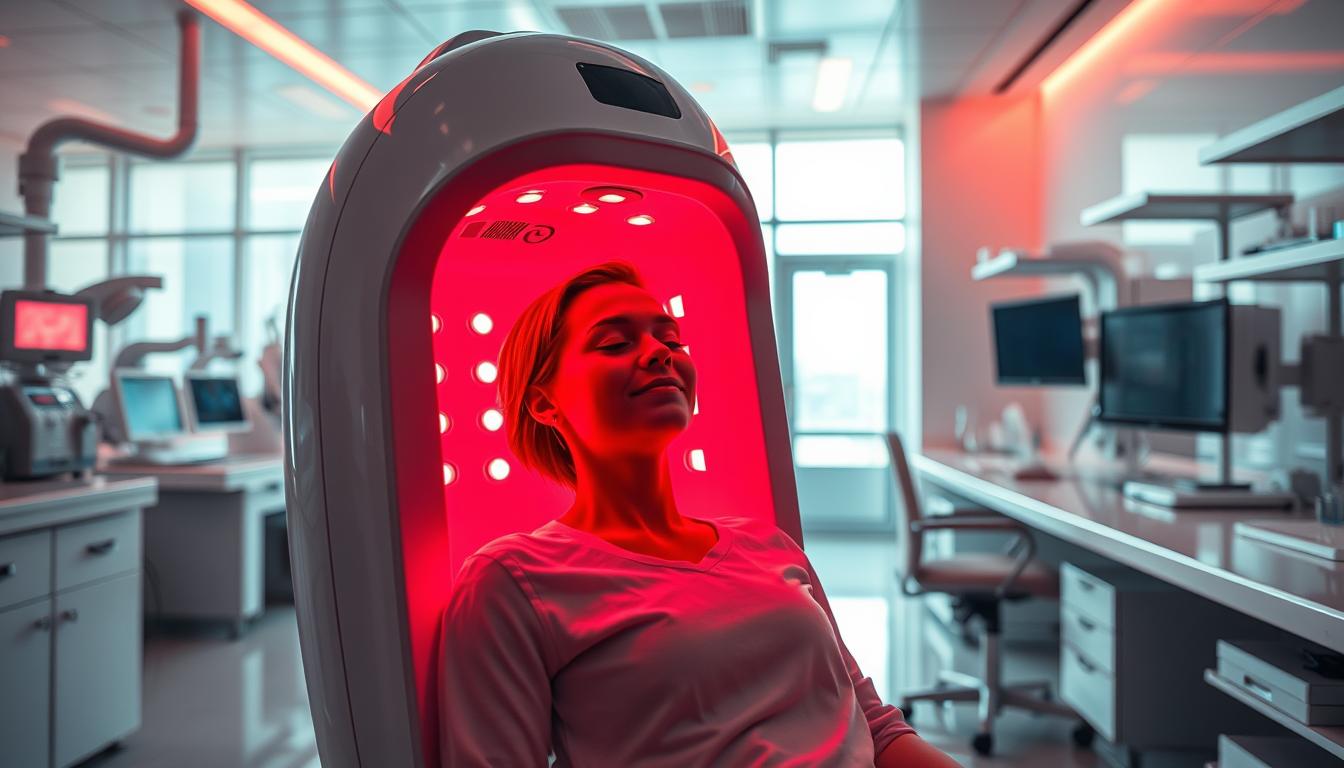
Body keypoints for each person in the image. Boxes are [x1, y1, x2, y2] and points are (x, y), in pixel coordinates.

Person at [441, 262, 957, 767]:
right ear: (543, 404)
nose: (659, 355)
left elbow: (876, 727)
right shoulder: (513, 581)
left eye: (671, 340)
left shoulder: (768, 546)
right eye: (615, 343)